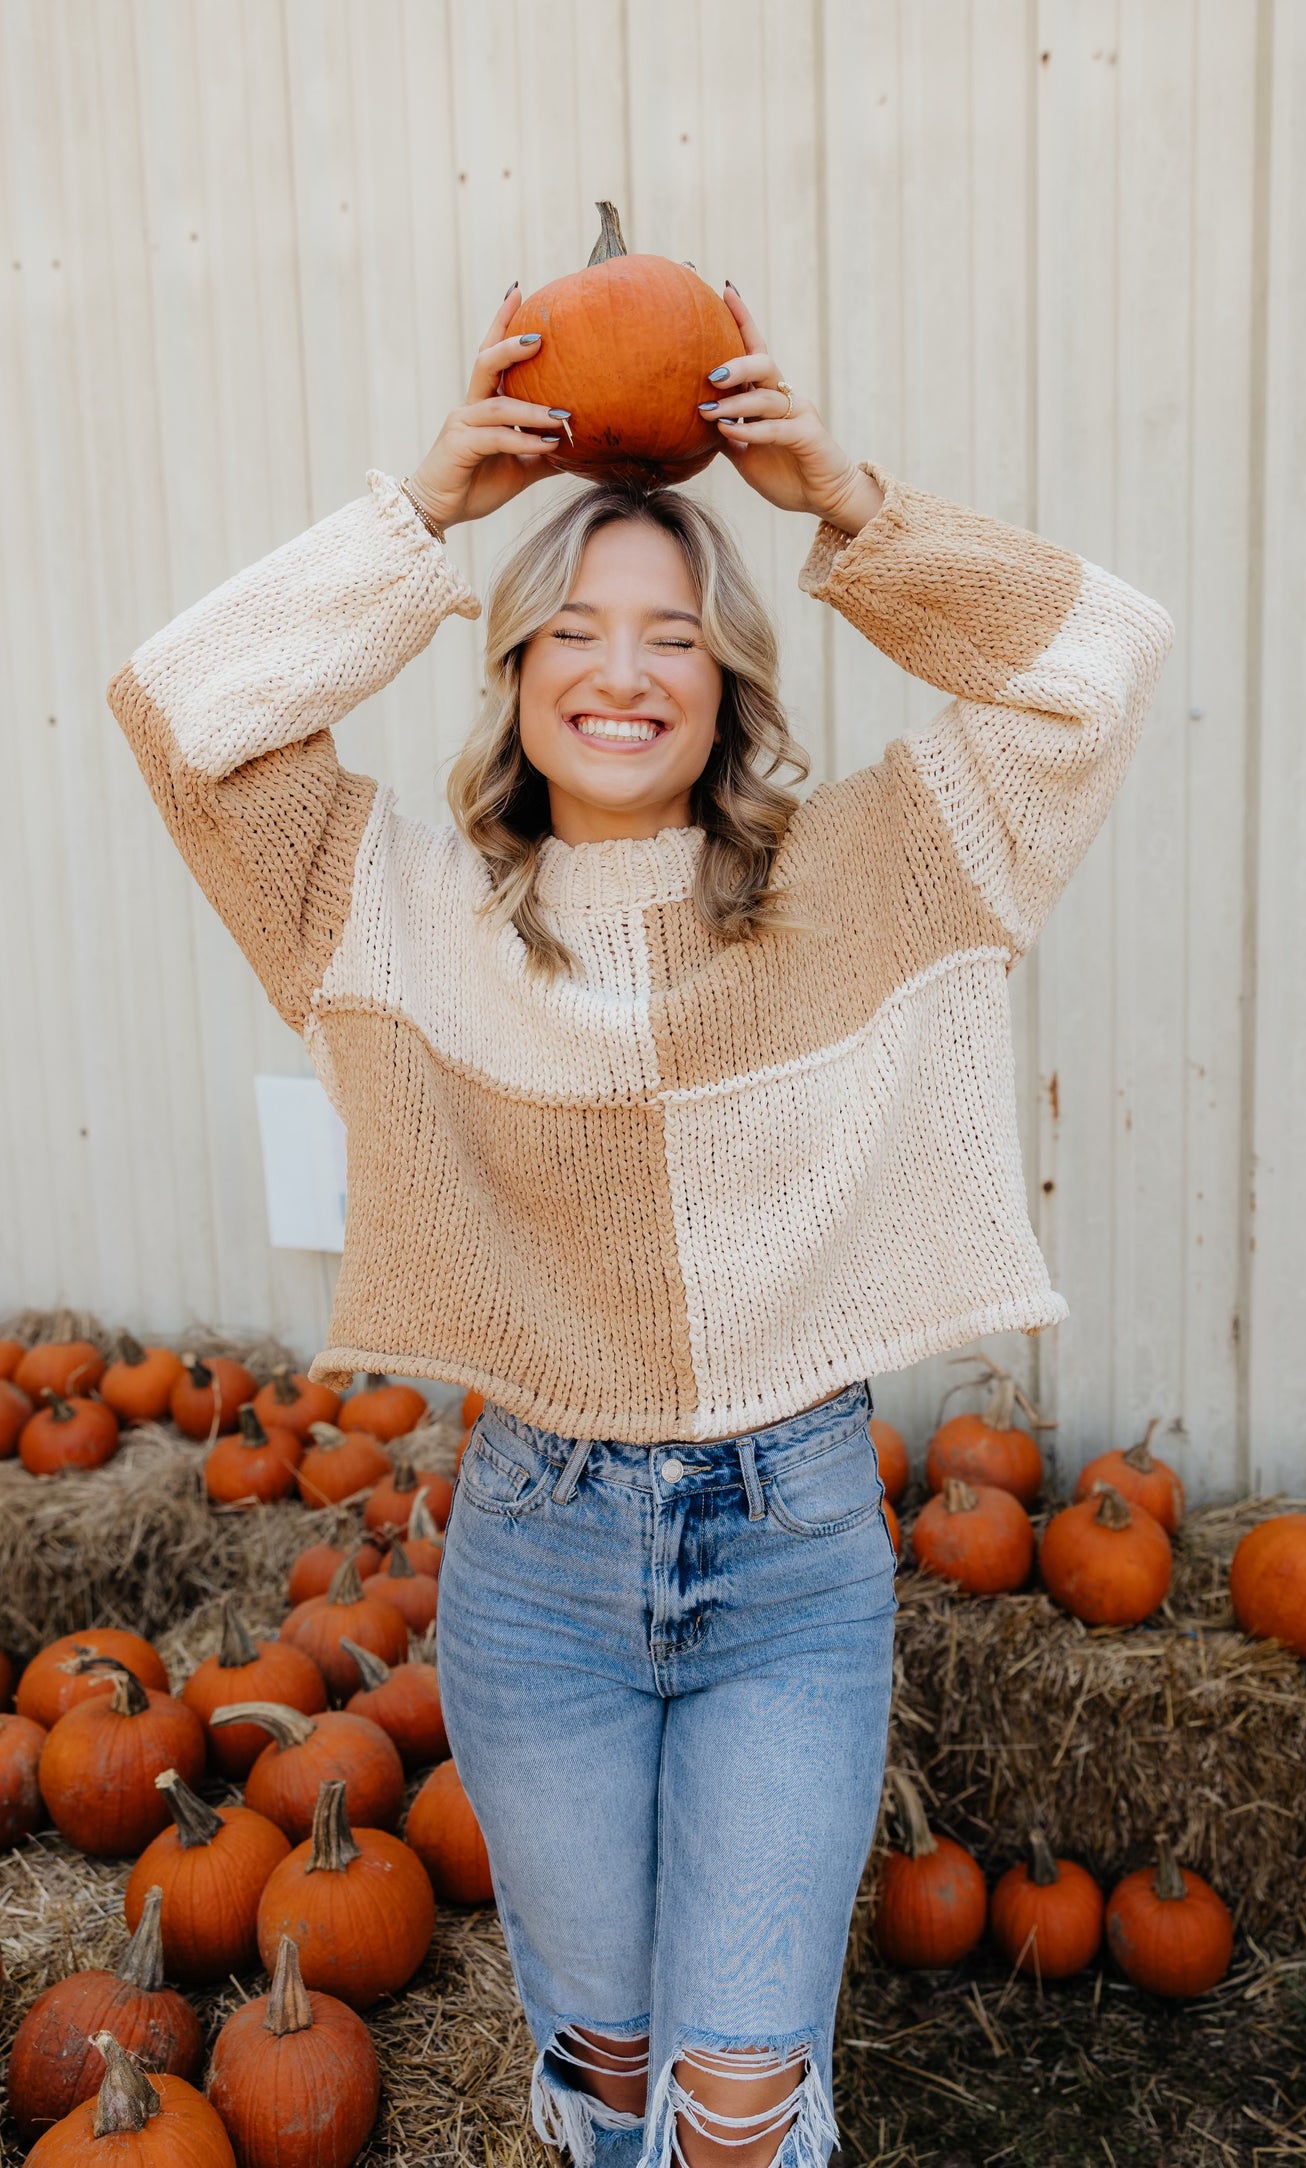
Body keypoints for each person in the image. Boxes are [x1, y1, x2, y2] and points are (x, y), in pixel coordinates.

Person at [107, 276, 1172, 2168]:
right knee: (605, 2088)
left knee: (740, 2106)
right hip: (540, 1564)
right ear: (513, 674)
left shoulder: (874, 867)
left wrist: (846, 504)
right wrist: (416, 515)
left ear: (729, 680)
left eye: (673, 635)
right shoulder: (388, 903)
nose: (622, 669)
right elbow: (184, 715)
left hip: (792, 1561)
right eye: (572, 632)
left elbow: (1094, 664)